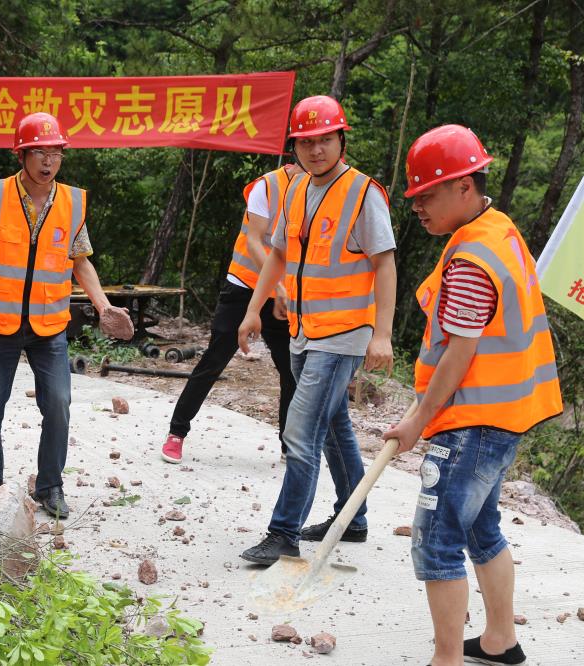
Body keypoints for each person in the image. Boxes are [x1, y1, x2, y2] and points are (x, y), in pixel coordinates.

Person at [384, 125, 563, 666]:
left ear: (464, 185)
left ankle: (446, 660)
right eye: (413, 197)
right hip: (502, 417)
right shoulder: (497, 228)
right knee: (482, 528)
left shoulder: (471, 260)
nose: (417, 206)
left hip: (472, 421)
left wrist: (419, 418)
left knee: (437, 539)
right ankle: (499, 640)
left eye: (427, 194)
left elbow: (459, 353)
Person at [0, 112, 129, 518]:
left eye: (55, 152)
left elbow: (81, 261)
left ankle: (50, 486)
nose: (48, 160)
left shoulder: (73, 202)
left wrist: (103, 304)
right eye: (39, 152)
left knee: (58, 402)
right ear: (21, 154)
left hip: (48, 325)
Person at [236, 95, 397, 564]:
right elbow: (280, 256)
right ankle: (355, 517)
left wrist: (381, 334)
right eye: (306, 142)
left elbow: (384, 263)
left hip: (345, 332)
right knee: (333, 429)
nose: (315, 149)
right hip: (304, 330)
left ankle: (283, 532)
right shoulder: (296, 190)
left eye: (325, 139)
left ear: (341, 139)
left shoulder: (364, 193)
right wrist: (253, 310)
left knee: (301, 432)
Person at [159, 164, 299, 464]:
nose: (316, 152)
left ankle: (290, 444)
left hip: (282, 294)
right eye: (307, 143)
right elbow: (254, 240)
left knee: (291, 371)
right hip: (245, 286)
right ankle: (176, 432)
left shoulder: (323, 190)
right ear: (295, 148)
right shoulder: (268, 186)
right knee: (214, 360)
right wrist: (277, 284)